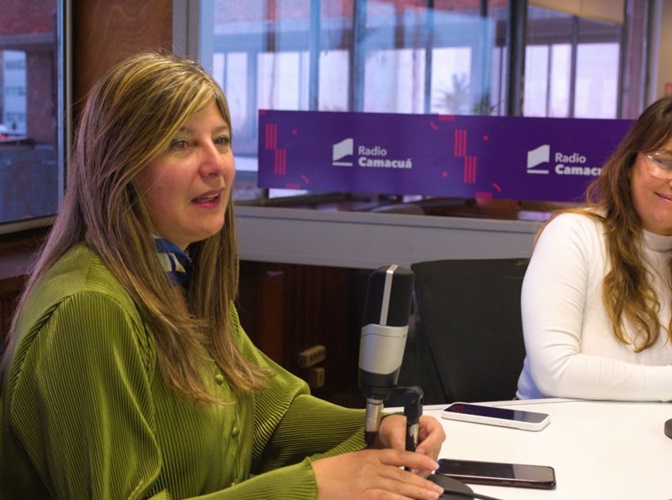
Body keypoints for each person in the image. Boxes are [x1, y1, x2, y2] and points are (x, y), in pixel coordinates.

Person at [0, 51, 445, 499]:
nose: (217, 165)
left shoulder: (180, 275)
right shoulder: (89, 309)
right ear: (120, 167)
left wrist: (377, 428)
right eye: (181, 143)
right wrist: (312, 487)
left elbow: (268, 414)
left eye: (222, 140)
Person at [516, 92, 672, 403]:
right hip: (563, 427)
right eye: (665, 161)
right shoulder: (572, 234)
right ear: (630, 163)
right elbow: (554, 373)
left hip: (655, 429)